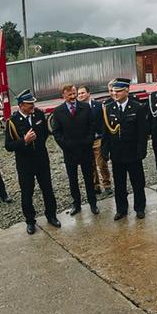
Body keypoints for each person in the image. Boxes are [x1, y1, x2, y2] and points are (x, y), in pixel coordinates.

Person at [4, 89, 61, 235]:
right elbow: (8, 146)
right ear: (21, 105)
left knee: (47, 190)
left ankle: (51, 215)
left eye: (33, 103)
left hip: (41, 161)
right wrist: (24, 141)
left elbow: (44, 135)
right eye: (29, 104)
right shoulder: (12, 121)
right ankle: (30, 221)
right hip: (25, 164)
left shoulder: (39, 115)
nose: (32, 106)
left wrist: (38, 142)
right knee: (27, 194)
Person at [101, 78, 149, 220]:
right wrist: (105, 149)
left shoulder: (137, 107)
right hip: (117, 153)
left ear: (127, 91)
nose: (115, 93)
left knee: (138, 182)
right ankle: (121, 209)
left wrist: (142, 150)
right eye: (114, 91)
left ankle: (139, 208)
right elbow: (106, 132)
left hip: (133, 152)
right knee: (119, 183)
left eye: (119, 91)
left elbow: (142, 132)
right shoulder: (108, 108)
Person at [52, 84, 99, 216]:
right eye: (70, 95)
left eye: (74, 94)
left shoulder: (85, 107)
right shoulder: (58, 111)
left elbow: (92, 125)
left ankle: (93, 203)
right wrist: (65, 145)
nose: (73, 97)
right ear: (64, 96)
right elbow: (56, 132)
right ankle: (76, 204)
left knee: (89, 178)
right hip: (70, 152)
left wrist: (89, 141)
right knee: (73, 180)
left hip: (85, 150)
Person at [76, 85, 112, 196]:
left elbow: (104, 121)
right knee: (90, 165)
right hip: (86, 141)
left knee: (102, 163)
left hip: (98, 139)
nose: (80, 95)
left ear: (88, 93)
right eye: (79, 94)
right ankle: (95, 186)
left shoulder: (99, 106)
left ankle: (107, 185)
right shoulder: (77, 109)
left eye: (82, 93)